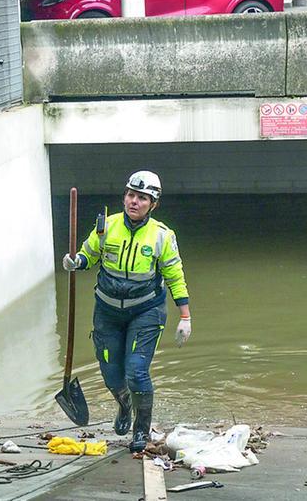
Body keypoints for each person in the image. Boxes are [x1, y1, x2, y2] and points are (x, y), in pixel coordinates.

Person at [61, 170, 192, 452]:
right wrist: (75, 261)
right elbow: (88, 254)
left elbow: (175, 274)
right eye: (131, 195)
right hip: (107, 312)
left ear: (153, 204)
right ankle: (124, 404)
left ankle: (141, 431)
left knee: (136, 372)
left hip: (146, 312)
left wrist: (185, 316)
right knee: (111, 373)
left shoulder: (162, 236)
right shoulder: (106, 226)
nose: (134, 202)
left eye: (142, 198)